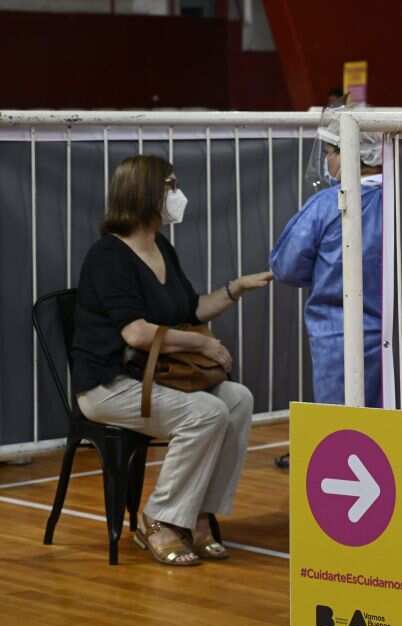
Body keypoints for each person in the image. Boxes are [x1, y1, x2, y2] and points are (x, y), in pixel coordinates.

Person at [72, 155, 272, 566]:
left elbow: (192, 308)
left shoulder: (161, 247)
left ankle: (198, 516)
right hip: (108, 385)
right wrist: (202, 347)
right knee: (206, 412)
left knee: (237, 399)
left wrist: (235, 288)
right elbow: (136, 332)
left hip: (153, 378)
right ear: (147, 193)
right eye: (170, 185)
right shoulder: (107, 257)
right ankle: (159, 518)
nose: (177, 195)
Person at [270, 109, 385, 408]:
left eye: (330, 152)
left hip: (338, 337)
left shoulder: (327, 204)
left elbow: (286, 266)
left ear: (352, 154)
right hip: (399, 339)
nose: (327, 161)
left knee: (343, 432)